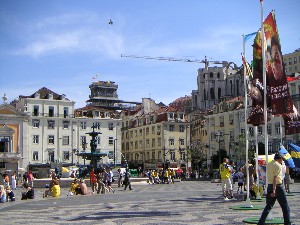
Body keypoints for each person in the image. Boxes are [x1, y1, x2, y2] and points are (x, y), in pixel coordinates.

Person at [257, 153, 291, 225]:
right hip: (277, 186)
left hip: (269, 185)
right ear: (280, 159)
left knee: (268, 206)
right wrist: (274, 190)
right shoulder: (278, 165)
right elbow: (275, 178)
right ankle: (287, 223)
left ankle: (261, 222)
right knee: (285, 206)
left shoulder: (269, 164)